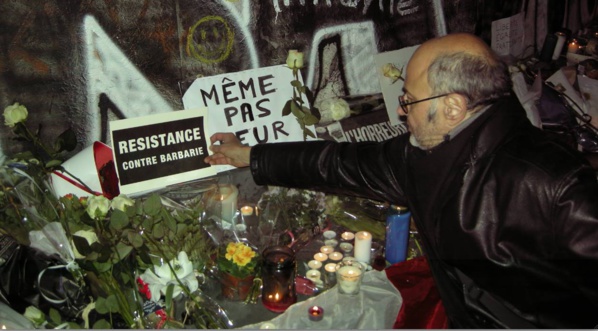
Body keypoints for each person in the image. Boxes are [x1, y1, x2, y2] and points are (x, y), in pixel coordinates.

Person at [204, 33, 598, 328]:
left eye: (409, 100)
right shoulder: (423, 151)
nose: (401, 110)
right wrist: (251, 155)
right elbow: (336, 162)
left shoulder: (555, 183)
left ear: (453, 106)